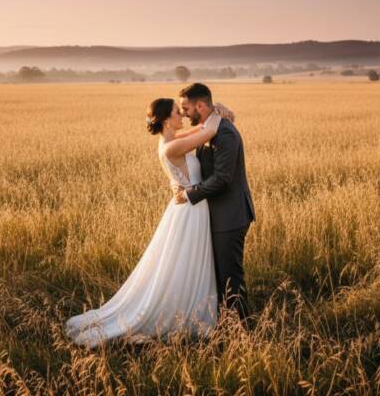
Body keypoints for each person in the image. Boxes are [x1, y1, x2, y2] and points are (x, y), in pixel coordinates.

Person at [64, 96, 235, 348]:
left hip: (190, 206)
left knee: (186, 261)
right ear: (166, 120)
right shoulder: (171, 147)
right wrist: (218, 112)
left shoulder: (172, 140)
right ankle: (185, 314)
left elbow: (199, 129)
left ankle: (194, 308)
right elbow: (208, 131)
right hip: (190, 210)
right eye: (177, 112)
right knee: (185, 262)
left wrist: (218, 110)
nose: (182, 115)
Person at [174, 83, 255, 321]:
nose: (184, 114)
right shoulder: (207, 127)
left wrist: (189, 194)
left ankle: (243, 328)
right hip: (218, 214)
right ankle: (225, 324)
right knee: (220, 275)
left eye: (186, 108)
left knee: (230, 277)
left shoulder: (225, 133)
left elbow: (222, 178)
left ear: (200, 106)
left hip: (230, 215)